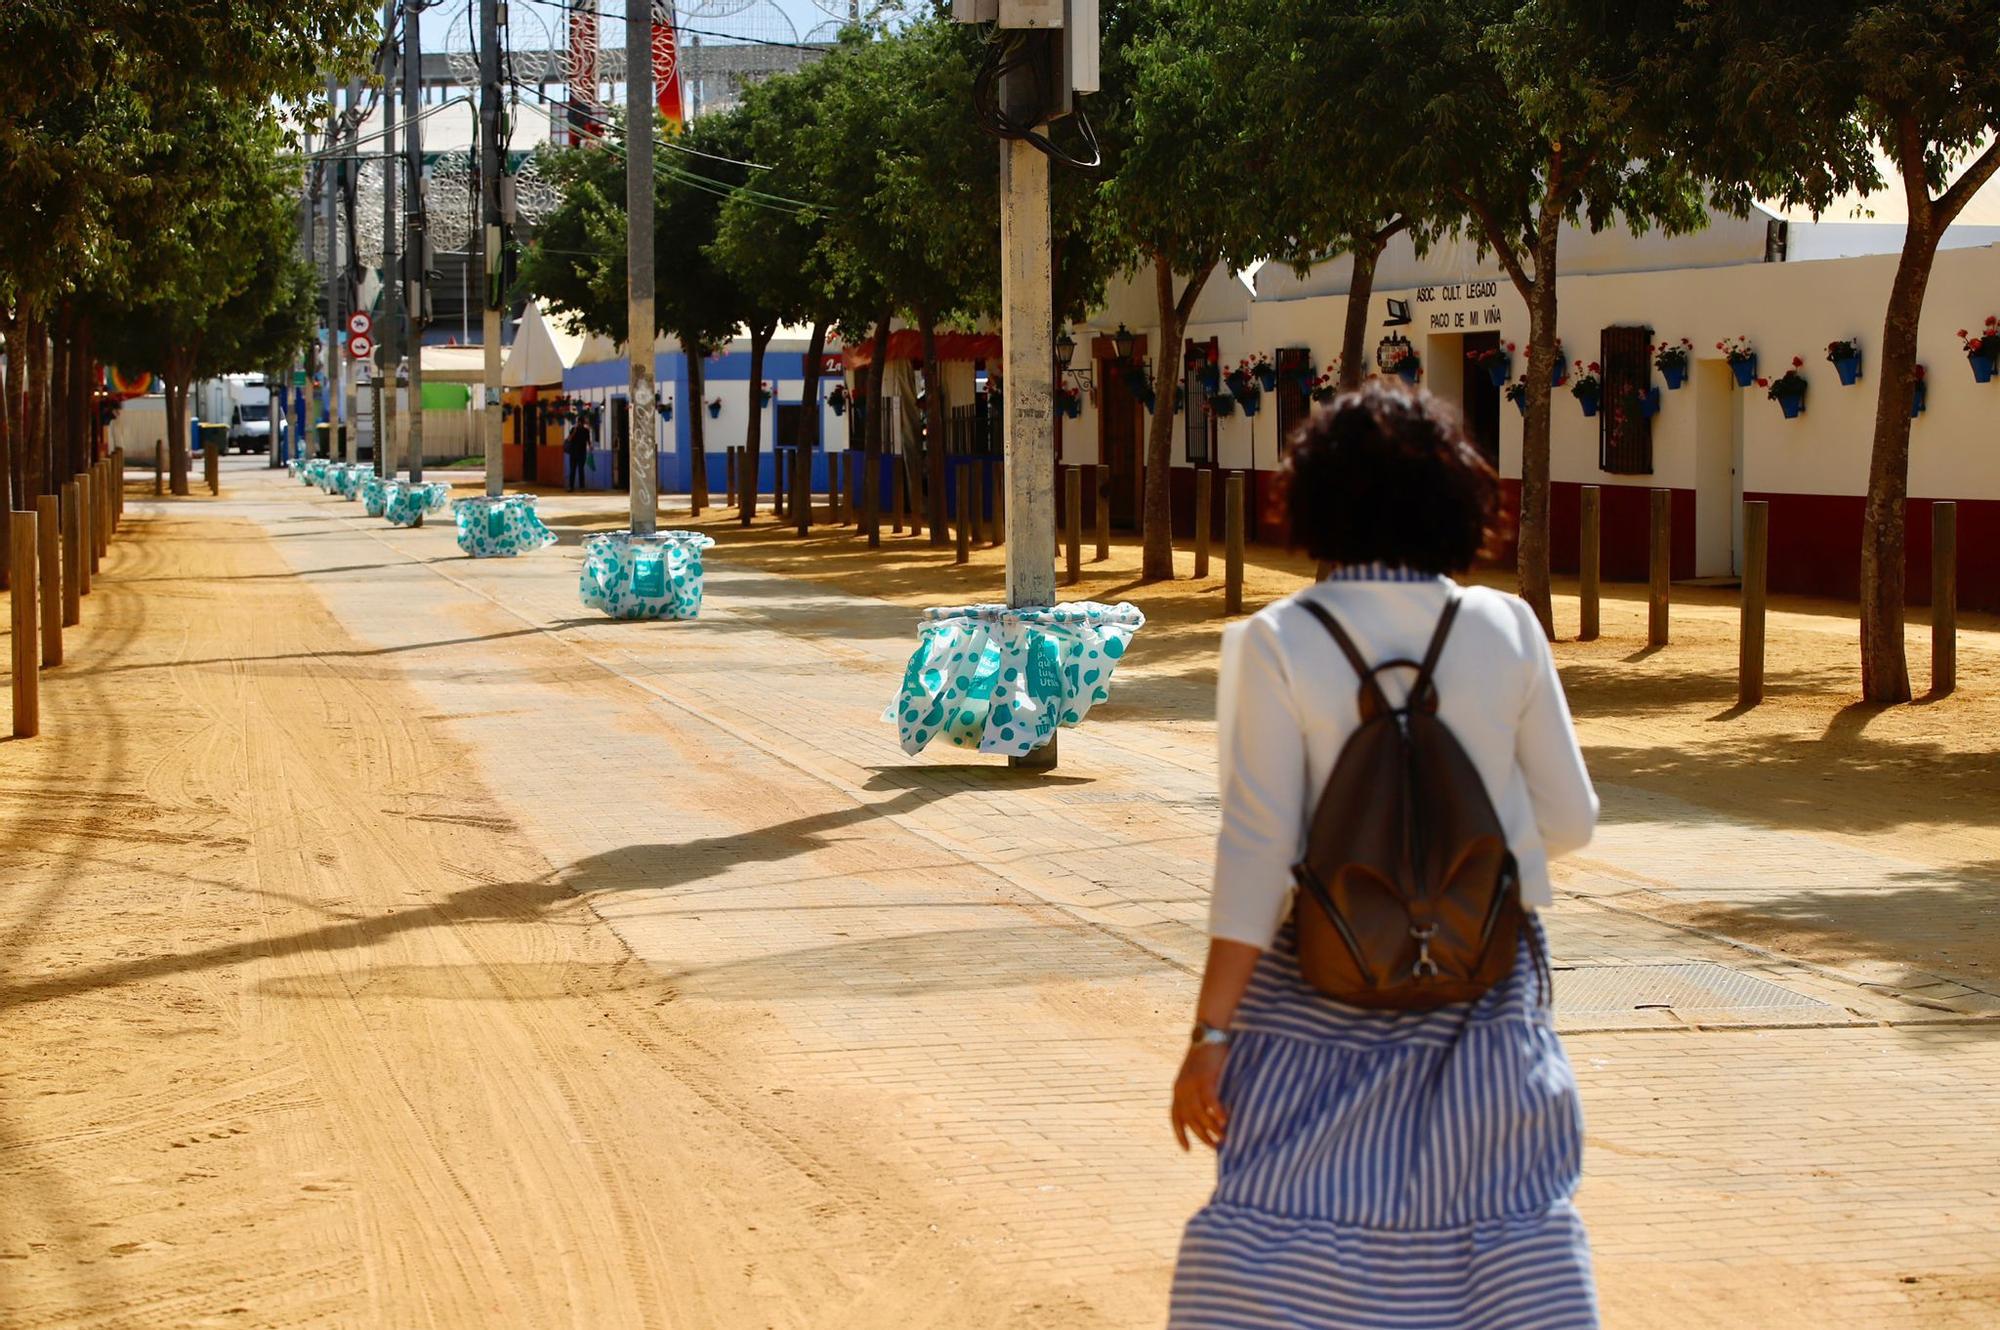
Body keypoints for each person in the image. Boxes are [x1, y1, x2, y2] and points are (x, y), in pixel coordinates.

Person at [1168, 381, 1601, 1330]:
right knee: (1495, 1219)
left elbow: (1257, 852)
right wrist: (1467, 864)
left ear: (1314, 496)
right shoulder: (1508, 629)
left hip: (1313, 994)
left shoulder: (1276, 642)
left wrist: (1209, 1040)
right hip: (1484, 992)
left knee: (1294, 1234)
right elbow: (1570, 821)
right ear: (1459, 497)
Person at [563, 417, 591, 492]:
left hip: (580, 453)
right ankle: (572, 487)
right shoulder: (573, 429)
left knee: (579, 470)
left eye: (580, 423)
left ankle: (580, 487)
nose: (580, 424)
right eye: (579, 422)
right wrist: (574, 432)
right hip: (574, 453)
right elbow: (569, 439)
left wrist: (590, 446)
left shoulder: (586, 430)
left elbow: (588, 440)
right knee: (574, 470)